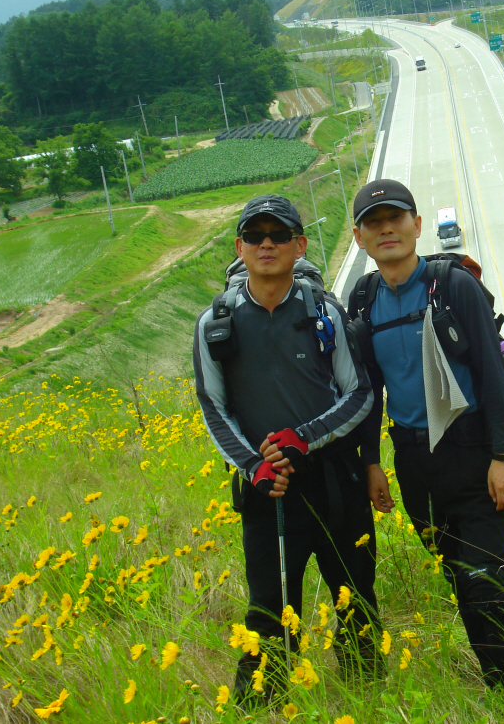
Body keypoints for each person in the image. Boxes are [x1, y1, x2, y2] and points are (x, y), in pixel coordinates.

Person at [348, 179, 504, 716]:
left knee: (485, 582)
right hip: (415, 464)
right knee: (462, 585)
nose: (387, 229)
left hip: (473, 453)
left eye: (396, 218)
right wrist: (373, 463)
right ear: (359, 237)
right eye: (374, 222)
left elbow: (489, 371)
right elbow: (369, 389)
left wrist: (502, 457)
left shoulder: (452, 285)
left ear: (417, 224)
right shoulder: (364, 301)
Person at [193, 194, 381, 709]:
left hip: (336, 485)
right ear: (240, 246)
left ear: (300, 245)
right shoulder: (215, 323)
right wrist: (253, 466)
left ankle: (368, 702)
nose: (267, 244)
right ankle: (261, 709)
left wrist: (303, 438)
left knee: (357, 600)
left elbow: (359, 393)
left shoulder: (324, 312)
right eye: (255, 236)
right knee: (269, 611)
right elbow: (213, 407)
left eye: (279, 235)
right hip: (266, 492)